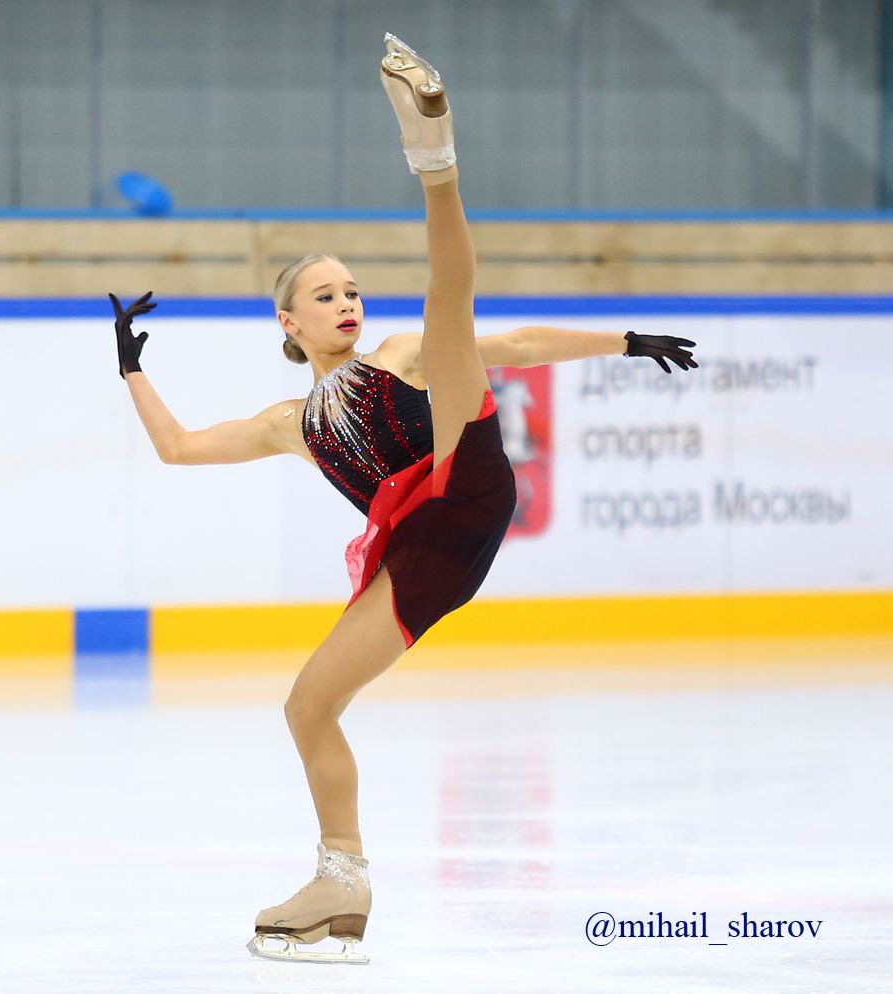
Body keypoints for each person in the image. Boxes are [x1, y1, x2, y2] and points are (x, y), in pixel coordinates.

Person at [109, 32, 697, 966]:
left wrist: (624, 341)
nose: (345, 304)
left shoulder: (397, 354)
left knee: (445, 304)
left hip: (465, 472)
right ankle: (340, 882)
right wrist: (131, 370)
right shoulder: (286, 424)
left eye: (350, 290)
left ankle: (434, 152)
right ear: (288, 322)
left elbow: (521, 346)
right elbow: (179, 449)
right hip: (423, 551)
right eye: (324, 297)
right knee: (307, 706)